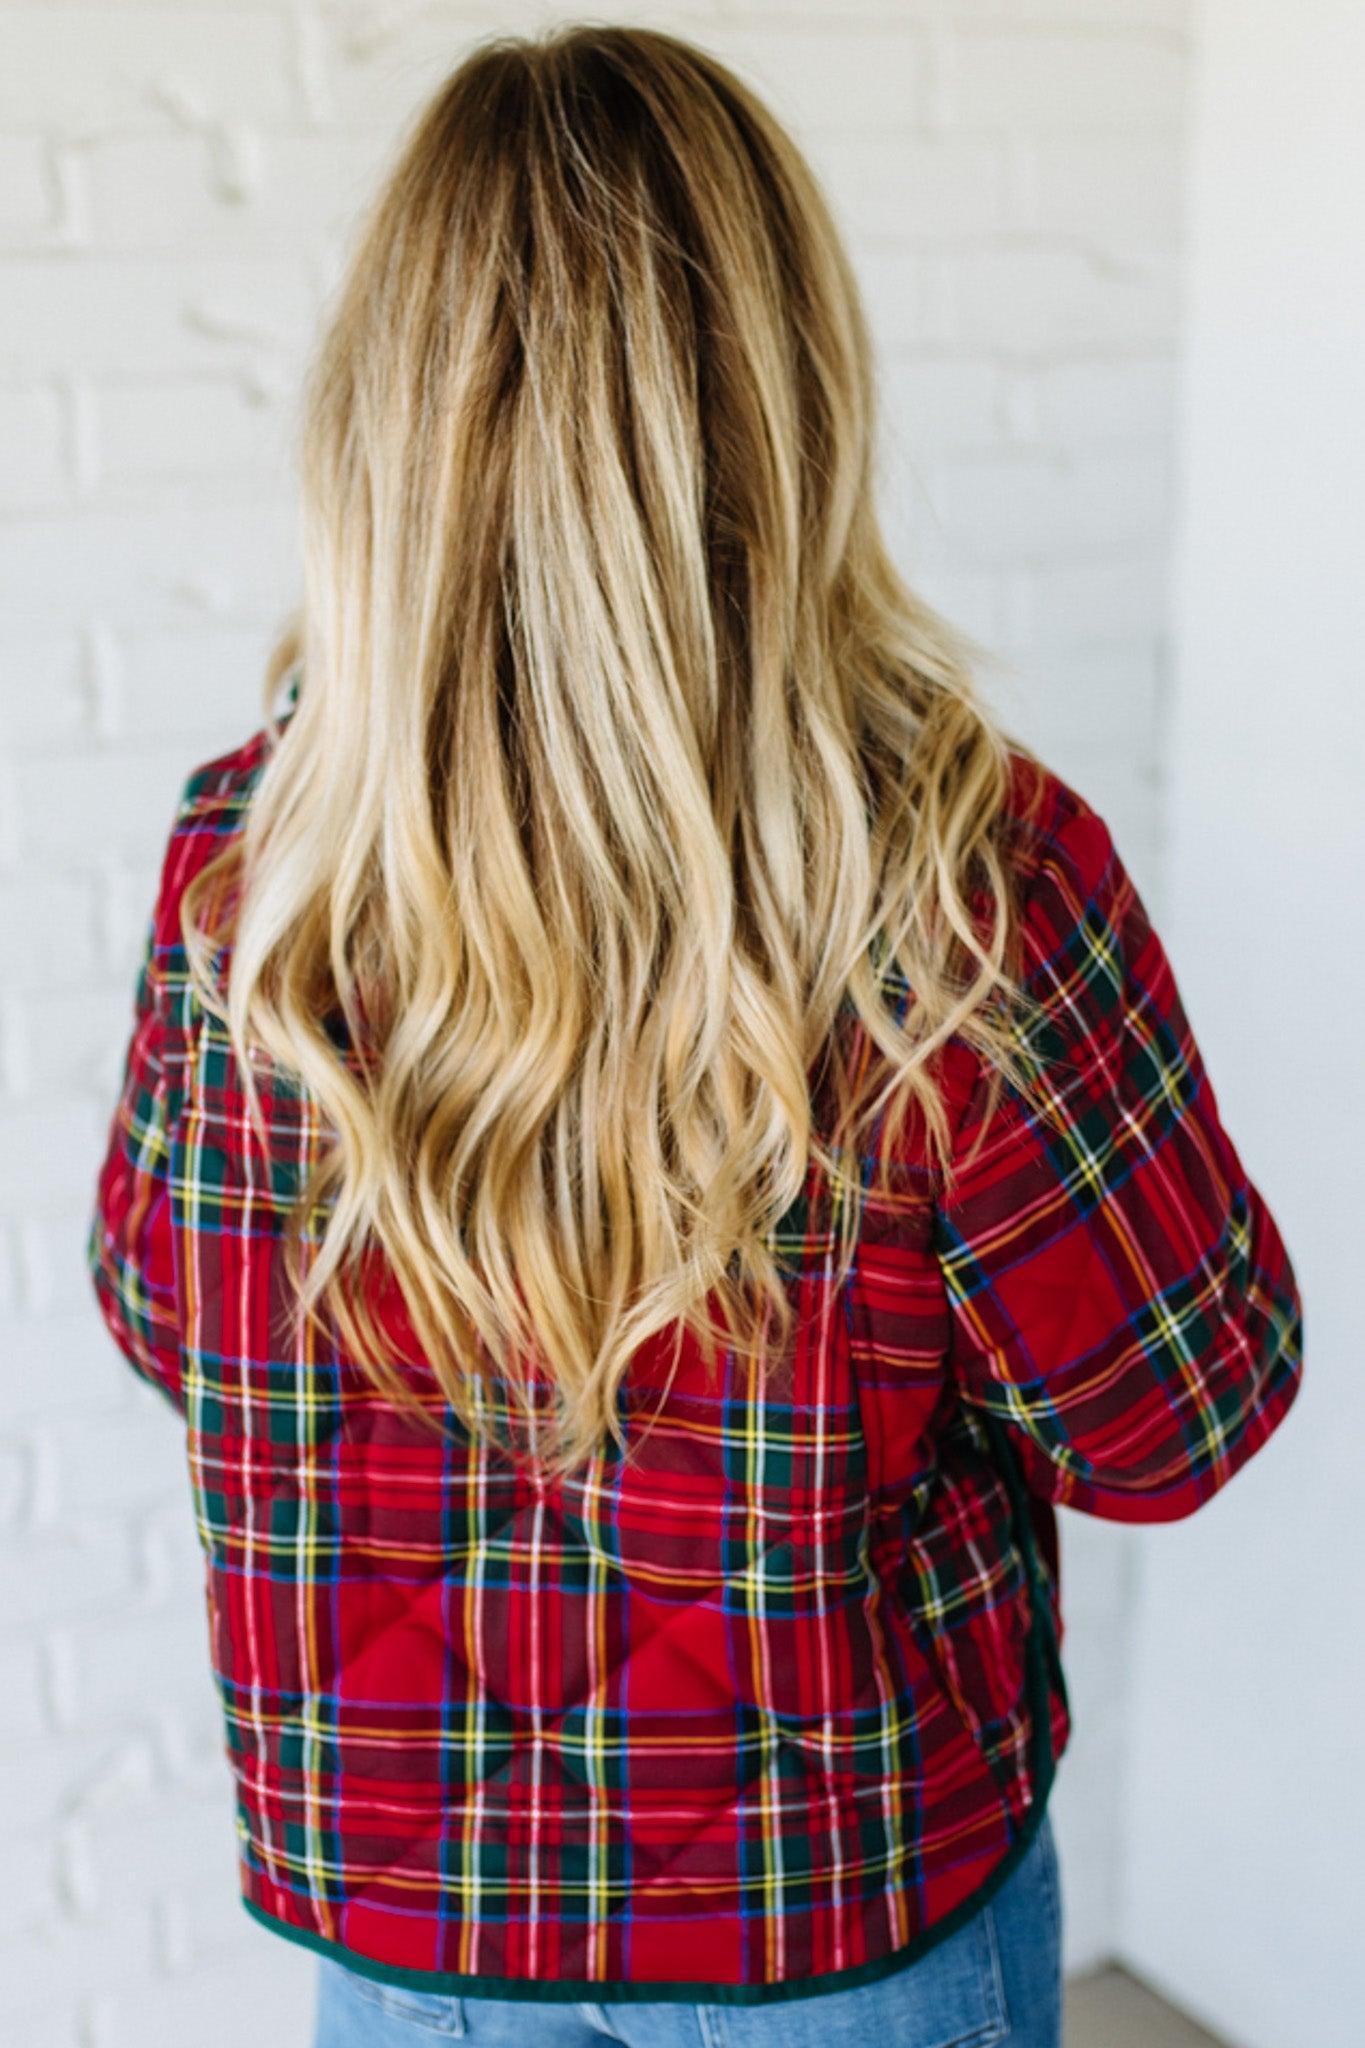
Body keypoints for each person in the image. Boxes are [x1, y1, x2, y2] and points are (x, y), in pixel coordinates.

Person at [86, 24, 1303, 2048]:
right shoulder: (963, 879)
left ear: (384, 422)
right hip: (838, 1924)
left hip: (414, 1943)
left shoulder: (254, 866)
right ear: (787, 399)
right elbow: (1175, 1412)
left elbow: (158, 1311)